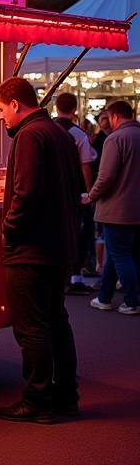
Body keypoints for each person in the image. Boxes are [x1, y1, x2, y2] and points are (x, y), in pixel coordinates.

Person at [0, 77, 81, 423]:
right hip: (58, 244)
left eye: (1, 110)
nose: (1, 118)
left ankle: (37, 399)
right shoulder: (60, 133)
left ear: (15, 104)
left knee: (31, 327)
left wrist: (9, 229)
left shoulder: (29, 136)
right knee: (56, 320)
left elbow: (26, 192)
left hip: (31, 247)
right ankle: (65, 395)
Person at [85, 100, 140, 315]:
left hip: (118, 209)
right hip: (135, 208)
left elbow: (106, 176)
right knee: (121, 254)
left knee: (120, 255)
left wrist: (91, 195)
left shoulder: (115, 139)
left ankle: (132, 301)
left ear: (115, 116)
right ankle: (104, 296)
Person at [53, 91, 97, 293]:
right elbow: (85, 166)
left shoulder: (46, 128)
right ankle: (74, 276)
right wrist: (89, 193)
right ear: (75, 109)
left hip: (51, 189)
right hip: (74, 191)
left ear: (56, 107)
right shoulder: (78, 134)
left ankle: (56, 275)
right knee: (79, 233)